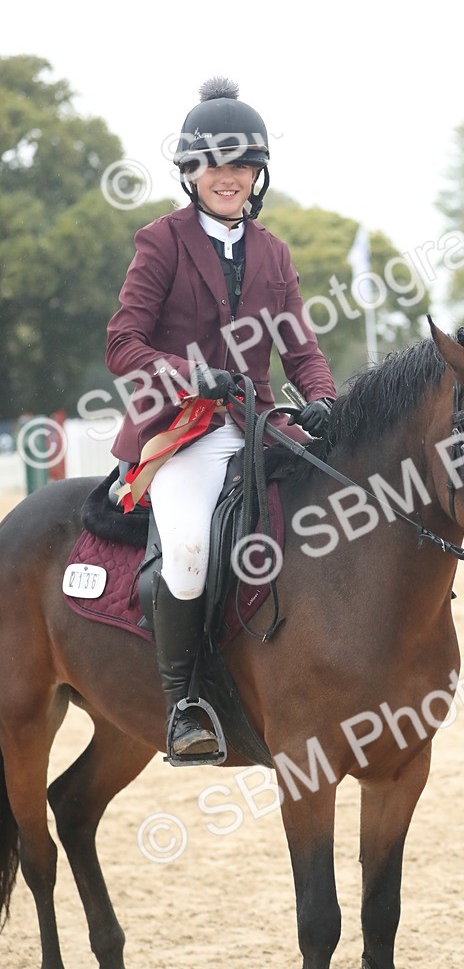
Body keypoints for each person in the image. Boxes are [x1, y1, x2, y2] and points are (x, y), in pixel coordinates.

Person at [106, 78, 336, 763]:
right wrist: (187, 372)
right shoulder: (161, 241)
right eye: (214, 165)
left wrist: (322, 396)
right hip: (181, 430)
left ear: (257, 175)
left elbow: (301, 347)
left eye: (242, 166)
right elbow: (123, 344)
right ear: (189, 172)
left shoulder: (273, 252)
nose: (228, 178)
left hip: (260, 422)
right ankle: (186, 704)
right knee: (187, 554)